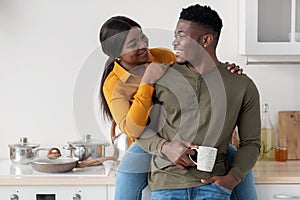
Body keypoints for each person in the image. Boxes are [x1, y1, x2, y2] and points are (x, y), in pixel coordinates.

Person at [99, 16, 255, 200]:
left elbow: (196, 66)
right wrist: (147, 82)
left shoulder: (162, 56)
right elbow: (133, 129)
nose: (142, 45)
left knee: (241, 168)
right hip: (146, 139)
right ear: (116, 53)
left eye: (142, 37)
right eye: (133, 43)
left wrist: (226, 70)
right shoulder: (114, 84)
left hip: (184, 132)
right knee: (125, 177)